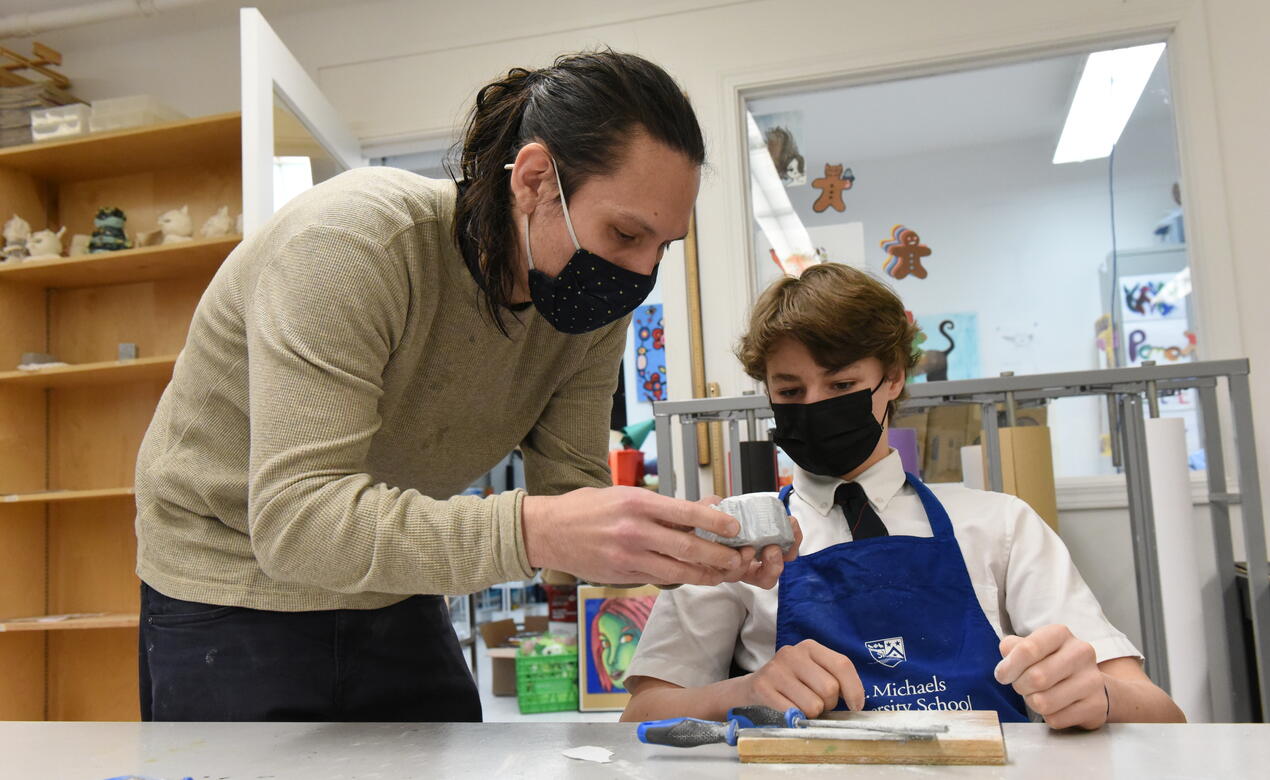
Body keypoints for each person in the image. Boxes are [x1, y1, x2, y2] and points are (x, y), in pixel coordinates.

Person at [134, 50, 790, 723]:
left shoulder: (587, 309)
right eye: (625, 233)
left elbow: (573, 499)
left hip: (388, 583)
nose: (640, 271)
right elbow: (296, 524)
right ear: (534, 179)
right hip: (230, 582)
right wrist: (534, 530)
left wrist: (697, 552)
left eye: (662, 246)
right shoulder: (355, 245)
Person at [621, 263, 1184, 729]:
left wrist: (1097, 696)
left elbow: (1162, 714)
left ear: (892, 379)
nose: (815, 405)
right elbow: (642, 714)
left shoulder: (1000, 526)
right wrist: (744, 690)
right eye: (790, 391)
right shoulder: (737, 542)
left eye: (841, 385)